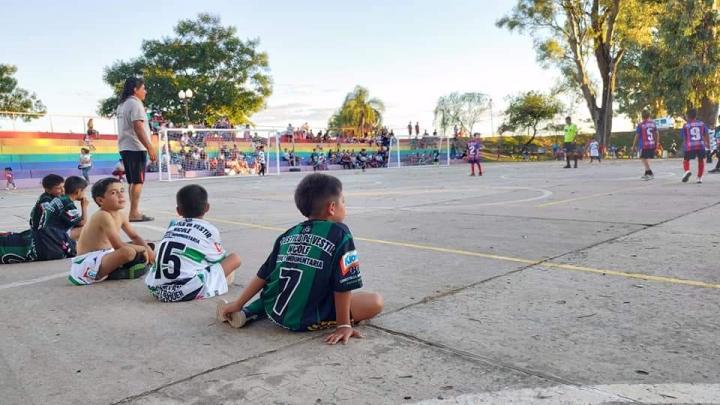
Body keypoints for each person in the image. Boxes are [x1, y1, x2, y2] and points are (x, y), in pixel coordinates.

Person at [216, 173, 383, 344]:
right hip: (307, 319)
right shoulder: (340, 233)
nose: (345, 205)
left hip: (279, 314)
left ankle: (249, 311)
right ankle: (255, 311)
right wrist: (343, 325)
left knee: (281, 288)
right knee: (375, 302)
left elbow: (263, 275)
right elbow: (343, 283)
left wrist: (238, 303)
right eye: (343, 201)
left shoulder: (287, 235)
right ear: (332, 207)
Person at [145, 185, 241, 302]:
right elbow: (218, 260)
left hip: (158, 289)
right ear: (207, 208)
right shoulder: (209, 229)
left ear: (178, 211)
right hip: (185, 290)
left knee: (196, 258)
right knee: (234, 259)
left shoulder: (173, 227)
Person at [68, 178, 155, 285]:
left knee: (147, 243)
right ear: (100, 200)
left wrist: (148, 250)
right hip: (88, 263)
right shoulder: (103, 215)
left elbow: (135, 237)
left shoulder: (121, 215)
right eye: (114, 192)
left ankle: (120, 267)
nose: (120, 195)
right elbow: (118, 245)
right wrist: (143, 249)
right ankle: (116, 273)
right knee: (129, 252)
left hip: (105, 254)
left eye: (122, 190)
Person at [116, 77, 156, 222]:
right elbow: (138, 127)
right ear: (135, 89)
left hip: (125, 146)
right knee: (138, 181)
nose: (145, 91)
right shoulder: (135, 104)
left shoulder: (122, 105)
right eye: (143, 88)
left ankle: (133, 211)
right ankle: (134, 213)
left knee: (133, 181)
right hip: (135, 147)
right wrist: (150, 147)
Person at [29, 174, 87, 261]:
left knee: (74, 223)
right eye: (58, 188)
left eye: (63, 186)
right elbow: (82, 222)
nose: (62, 190)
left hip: (46, 232)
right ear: (47, 190)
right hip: (44, 235)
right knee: (82, 227)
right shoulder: (46, 200)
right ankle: (71, 245)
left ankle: (71, 243)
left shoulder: (57, 198)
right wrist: (84, 206)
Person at [680, 108, 709, 183]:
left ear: (688, 116)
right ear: (696, 116)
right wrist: (707, 144)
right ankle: (699, 178)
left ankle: (687, 171)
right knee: (701, 161)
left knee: (686, 160)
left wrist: (684, 146)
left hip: (690, 146)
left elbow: (684, 137)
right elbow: (706, 134)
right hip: (700, 145)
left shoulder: (686, 126)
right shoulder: (701, 124)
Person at [633, 111, 659, 180]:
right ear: (649, 115)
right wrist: (657, 143)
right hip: (651, 143)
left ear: (642, 116)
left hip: (644, 144)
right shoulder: (653, 124)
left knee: (643, 158)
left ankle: (650, 172)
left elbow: (637, 136)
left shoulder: (641, 125)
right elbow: (656, 134)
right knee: (645, 158)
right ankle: (646, 173)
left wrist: (633, 145)